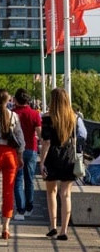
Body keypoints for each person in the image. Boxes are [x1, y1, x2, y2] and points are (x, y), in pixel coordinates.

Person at [40, 88, 78, 240]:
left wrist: (42, 162)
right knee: (66, 194)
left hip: (52, 156)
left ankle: (53, 226)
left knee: (51, 192)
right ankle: (64, 231)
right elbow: (75, 140)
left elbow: (46, 142)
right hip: (68, 156)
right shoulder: (72, 117)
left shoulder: (47, 118)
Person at [0, 89, 25, 240]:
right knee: (8, 191)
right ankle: (6, 226)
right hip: (10, 154)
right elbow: (20, 139)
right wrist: (20, 155)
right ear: (8, 100)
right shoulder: (14, 116)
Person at [13, 88, 42, 220]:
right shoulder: (34, 114)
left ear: (16, 100)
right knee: (29, 179)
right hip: (31, 149)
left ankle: (20, 210)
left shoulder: (12, 113)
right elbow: (40, 133)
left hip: (16, 150)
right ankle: (30, 207)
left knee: (18, 180)